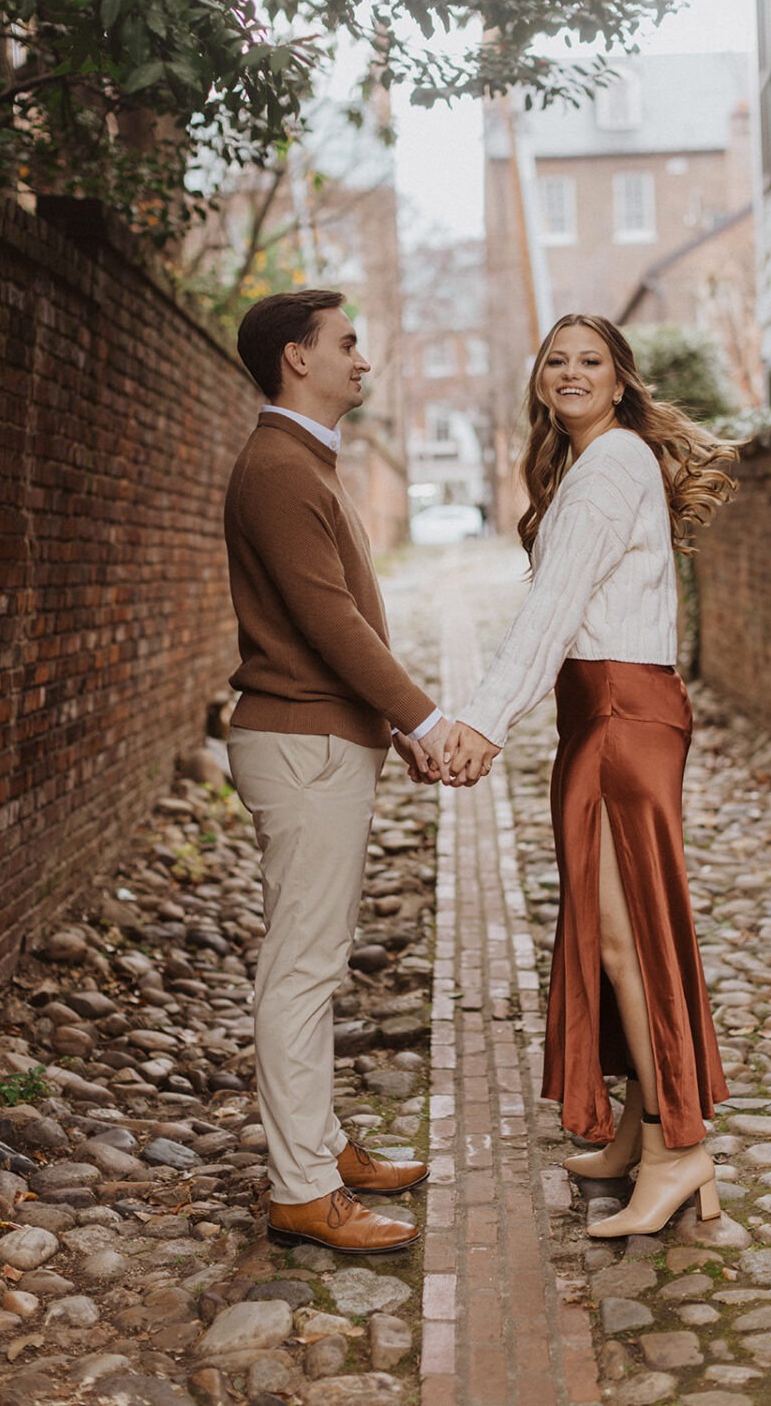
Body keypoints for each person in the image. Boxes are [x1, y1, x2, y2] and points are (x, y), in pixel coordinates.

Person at [445, 314, 737, 1238]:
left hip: (619, 718)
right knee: (610, 928)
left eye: (591, 362)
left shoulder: (610, 467)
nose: (570, 373)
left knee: (627, 942)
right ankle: (645, 1130)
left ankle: (679, 1154)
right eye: (556, 360)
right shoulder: (595, 466)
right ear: (540, 381)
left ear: (620, 382)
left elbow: (556, 613)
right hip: (605, 715)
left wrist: (483, 723)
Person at [224, 289, 452, 1254]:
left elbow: (335, 623)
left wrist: (385, 724)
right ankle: (303, 1189)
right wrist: (425, 717)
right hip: (302, 744)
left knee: (314, 963)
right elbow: (329, 622)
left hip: (324, 737)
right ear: (295, 357)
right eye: (346, 345)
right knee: (300, 969)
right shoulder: (279, 470)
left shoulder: (304, 462)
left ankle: (317, 1146)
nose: (362, 360)